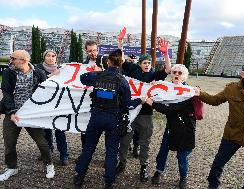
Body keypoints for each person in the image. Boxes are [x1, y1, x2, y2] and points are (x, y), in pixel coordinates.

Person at [194, 63, 244, 189]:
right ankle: (213, 185)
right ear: (242, 74)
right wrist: (200, 93)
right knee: (218, 164)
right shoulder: (231, 88)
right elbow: (215, 100)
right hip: (233, 133)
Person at [73, 50, 133, 189]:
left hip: (96, 117)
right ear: (121, 63)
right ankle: (109, 182)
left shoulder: (98, 76)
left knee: (88, 149)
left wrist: (97, 71)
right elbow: (126, 104)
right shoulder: (122, 81)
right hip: (113, 120)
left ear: (108, 62)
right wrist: (140, 102)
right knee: (111, 152)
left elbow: (82, 78)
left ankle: (79, 178)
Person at [116, 38, 171, 182]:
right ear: (140, 64)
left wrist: (165, 55)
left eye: (149, 63)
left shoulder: (153, 74)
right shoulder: (133, 70)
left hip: (146, 113)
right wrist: (120, 42)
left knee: (144, 142)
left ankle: (143, 167)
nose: (147, 65)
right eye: (144, 63)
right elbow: (121, 60)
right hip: (130, 112)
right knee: (125, 140)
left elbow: (168, 70)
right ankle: (121, 163)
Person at [0, 50, 55, 181]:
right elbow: (6, 93)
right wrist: (12, 112)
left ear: (24, 61)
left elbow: (47, 91)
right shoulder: (9, 72)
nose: (11, 60)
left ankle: (49, 164)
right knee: (9, 144)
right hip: (12, 114)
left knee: (42, 142)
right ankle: (12, 168)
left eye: (13, 58)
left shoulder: (38, 73)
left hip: (31, 115)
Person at [145, 64, 196, 189]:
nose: (176, 75)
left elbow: (171, 110)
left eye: (180, 73)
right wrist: (152, 88)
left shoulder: (188, 92)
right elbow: (157, 93)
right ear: (171, 75)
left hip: (185, 128)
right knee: (163, 151)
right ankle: (159, 171)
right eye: (174, 72)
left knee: (182, 156)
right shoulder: (168, 88)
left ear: (185, 77)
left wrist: (153, 104)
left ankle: (183, 177)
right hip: (171, 126)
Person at [36, 49, 69, 166]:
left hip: (58, 105)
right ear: (44, 57)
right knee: (46, 130)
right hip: (44, 104)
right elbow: (37, 84)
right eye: (48, 56)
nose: (51, 58)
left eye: (53, 56)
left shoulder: (62, 70)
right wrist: (51, 75)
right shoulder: (38, 69)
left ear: (56, 58)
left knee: (60, 130)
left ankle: (64, 155)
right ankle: (47, 151)